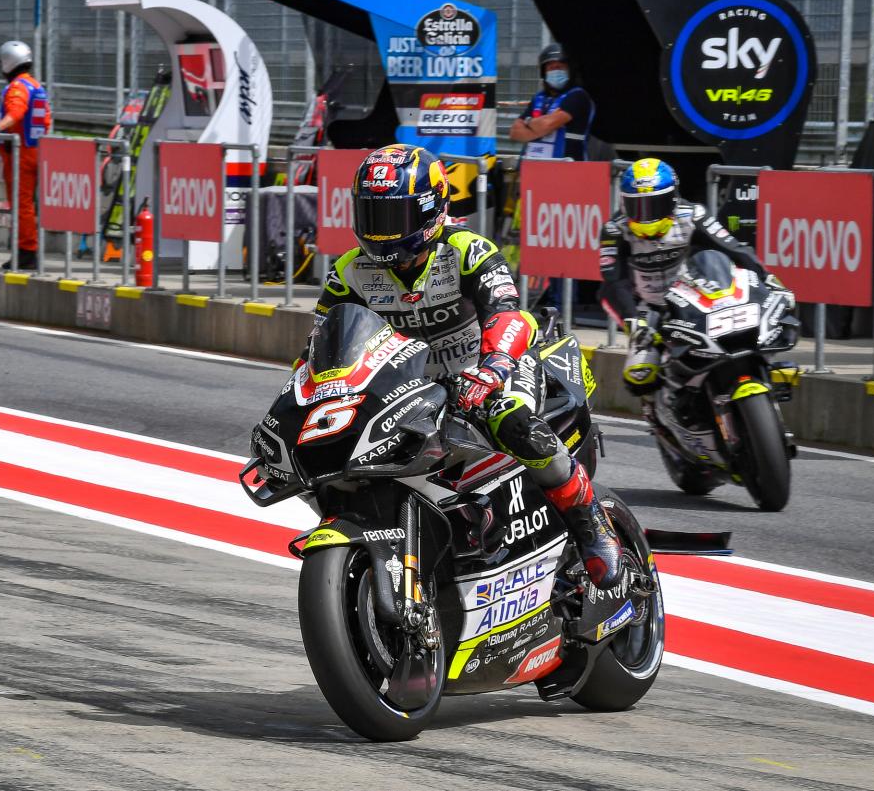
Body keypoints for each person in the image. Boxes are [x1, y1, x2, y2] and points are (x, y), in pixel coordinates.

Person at [305, 144, 622, 589]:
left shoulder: (467, 250)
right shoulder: (347, 272)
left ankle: (589, 521)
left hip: (490, 366)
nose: (381, 231)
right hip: (411, 387)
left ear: (431, 209)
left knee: (510, 416)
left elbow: (507, 314)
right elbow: (321, 344)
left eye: (393, 217)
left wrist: (493, 367)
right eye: (371, 215)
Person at [599, 157, 775, 394]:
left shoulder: (693, 215)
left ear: (672, 199)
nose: (646, 216)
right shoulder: (614, 230)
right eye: (636, 206)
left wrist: (766, 278)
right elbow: (613, 280)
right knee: (639, 377)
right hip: (649, 308)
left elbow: (734, 249)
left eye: (655, 205)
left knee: (748, 338)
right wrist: (633, 321)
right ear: (623, 203)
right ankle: (657, 408)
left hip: (694, 298)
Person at [0, 40, 51, 271]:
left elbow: (16, 112)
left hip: (21, 154)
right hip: (33, 149)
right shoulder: (34, 85)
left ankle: (27, 253)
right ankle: (24, 251)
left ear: (9, 63)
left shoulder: (17, 88)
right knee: (24, 204)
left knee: (21, 204)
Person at [508, 43, 594, 161]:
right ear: (544, 72)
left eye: (560, 67)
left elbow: (546, 125)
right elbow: (514, 132)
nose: (555, 71)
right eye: (551, 68)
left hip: (568, 166)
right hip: (534, 164)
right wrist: (539, 126)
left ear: (570, 70)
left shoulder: (577, 96)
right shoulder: (539, 97)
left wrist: (528, 122)